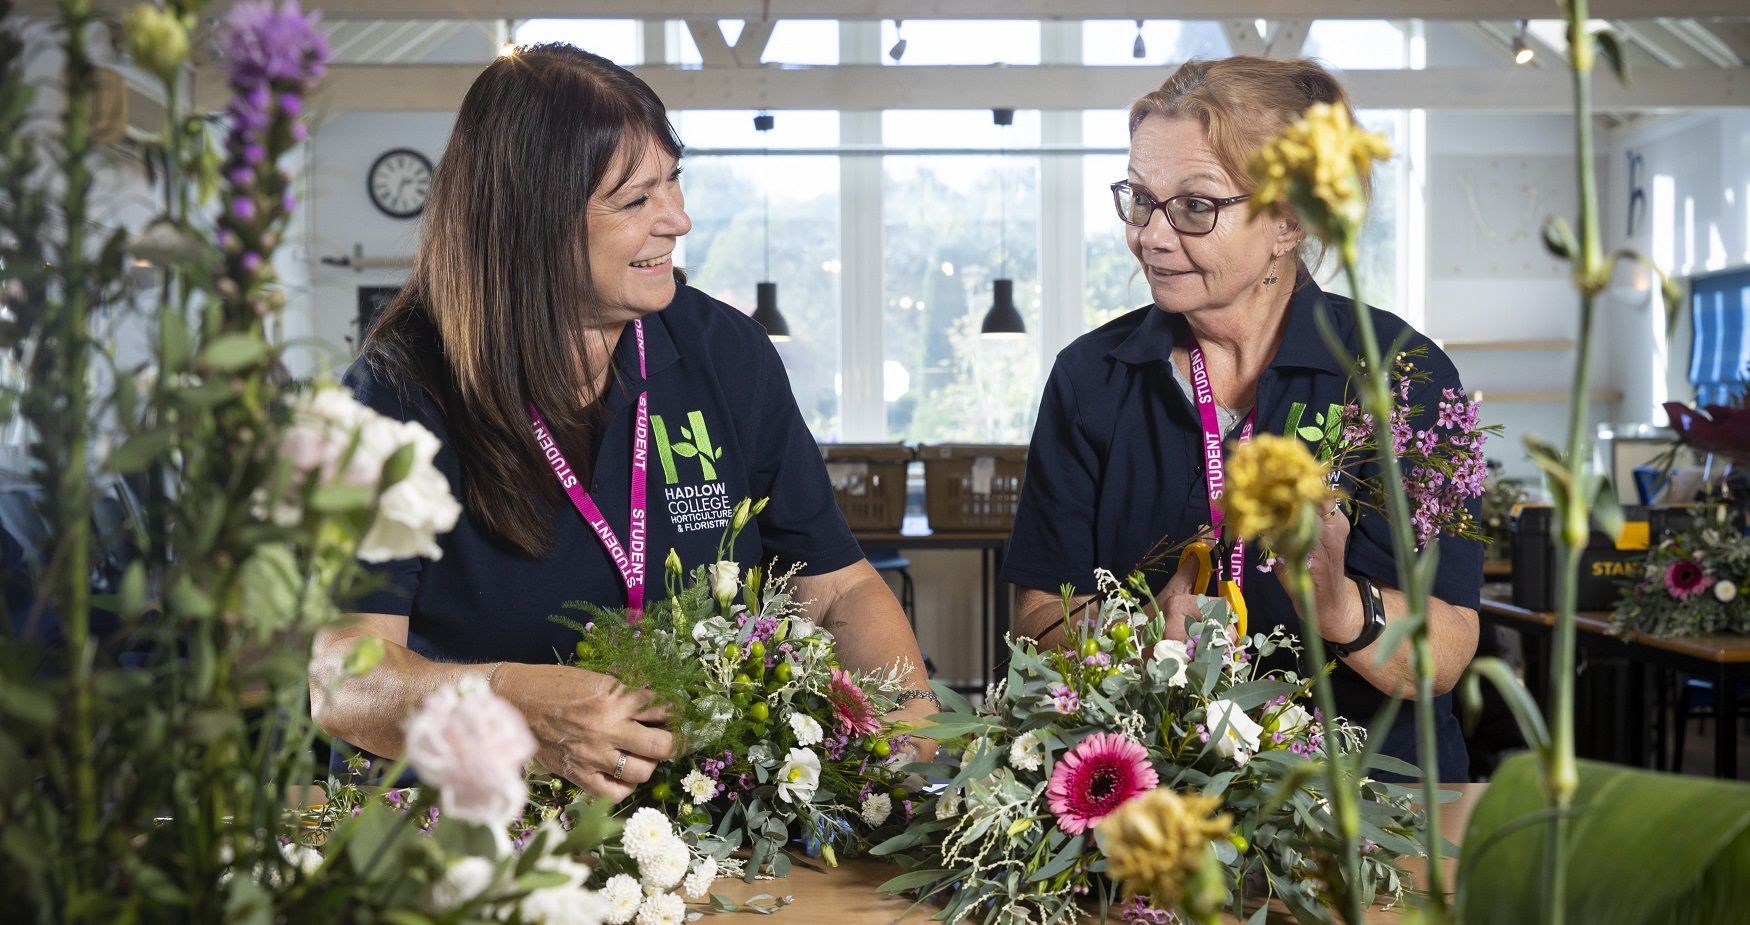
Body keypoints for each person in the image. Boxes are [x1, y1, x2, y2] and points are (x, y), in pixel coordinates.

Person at [310, 44, 938, 801]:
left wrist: (914, 734)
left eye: (673, 179)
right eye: (637, 200)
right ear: (533, 225)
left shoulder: (724, 352)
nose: (678, 219)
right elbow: (344, 682)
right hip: (467, 826)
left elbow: (836, 591)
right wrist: (506, 702)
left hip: (695, 823)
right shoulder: (395, 395)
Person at [1002, 56, 1481, 775]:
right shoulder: (1090, 379)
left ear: (1287, 220)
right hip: (1156, 795)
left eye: (1195, 207)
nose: (1150, 236)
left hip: (1369, 804)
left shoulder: (1401, 377)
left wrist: (1336, 606)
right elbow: (1037, 624)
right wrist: (1134, 633)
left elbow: (1446, 650)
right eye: (1140, 198)